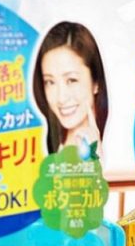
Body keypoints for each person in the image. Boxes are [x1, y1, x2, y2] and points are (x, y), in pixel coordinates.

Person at [33, 21, 108, 158]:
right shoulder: (45, 145)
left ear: (95, 82)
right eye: (50, 82)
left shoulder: (117, 143)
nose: (61, 98)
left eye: (72, 80)